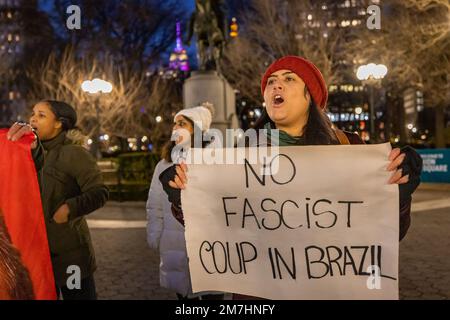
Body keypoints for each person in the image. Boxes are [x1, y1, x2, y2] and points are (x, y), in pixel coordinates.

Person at [164, 56, 423, 299]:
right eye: (271, 82)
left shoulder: (349, 148)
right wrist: (183, 197)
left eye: (289, 79)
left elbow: (385, 233)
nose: (277, 84)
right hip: (259, 294)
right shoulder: (241, 156)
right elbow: (216, 225)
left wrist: (397, 196)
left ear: (310, 95)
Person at [7, 100, 109, 300]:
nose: (33, 118)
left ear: (59, 123)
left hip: (70, 256)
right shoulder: (28, 152)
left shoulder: (74, 153)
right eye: (33, 113)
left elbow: (100, 192)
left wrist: (68, 209)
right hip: (37, 255)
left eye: (42, 115)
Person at [147, 105, 224, 300]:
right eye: (174, 124)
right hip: (174, 242)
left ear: (197, 130)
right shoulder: (164, 164)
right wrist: (156, 233)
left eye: (182, 124)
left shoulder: (216, 160)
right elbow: (154, 203)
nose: (175, 128)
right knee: (183, 295)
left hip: (209, 245)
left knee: (211, 296)